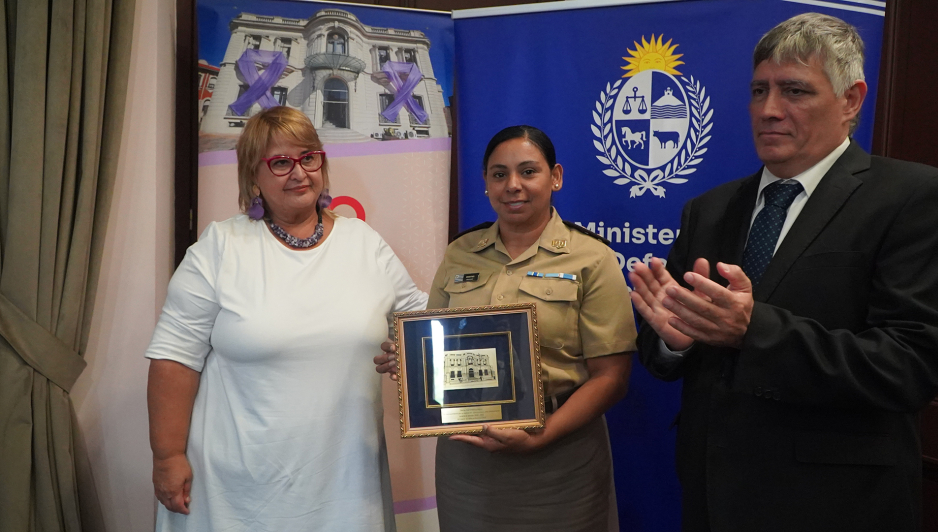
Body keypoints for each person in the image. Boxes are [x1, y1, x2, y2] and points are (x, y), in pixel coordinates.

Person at [629, 13, 938, 532]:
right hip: (711, 497)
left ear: (851, 100)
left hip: (834, 505)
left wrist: (753, 330)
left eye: (794, 91)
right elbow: (662, 356)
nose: (769, 110)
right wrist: (675, 341)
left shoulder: (910, 199)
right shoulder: (707, 210)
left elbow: (908, 368)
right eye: (759, 90)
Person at [145, 106, 427, 531]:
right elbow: (173, 358)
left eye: (308, 157)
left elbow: (421, 322)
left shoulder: (364, 242)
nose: (299, 173)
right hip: (237, 492)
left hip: (347, 485)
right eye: (280, 162)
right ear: (252, 176)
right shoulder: (221, 247)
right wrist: (167, 457)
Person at [378, 125, 636, 531]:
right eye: (499, 174)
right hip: (467, 468)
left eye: (528, 172)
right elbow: (438, 347)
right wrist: (411, 363)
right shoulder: (461, 253)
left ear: (556, 177)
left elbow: (612, 377)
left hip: (559, 463)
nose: (513, 185)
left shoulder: (592, 257)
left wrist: (543, 435)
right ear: (485, 183)